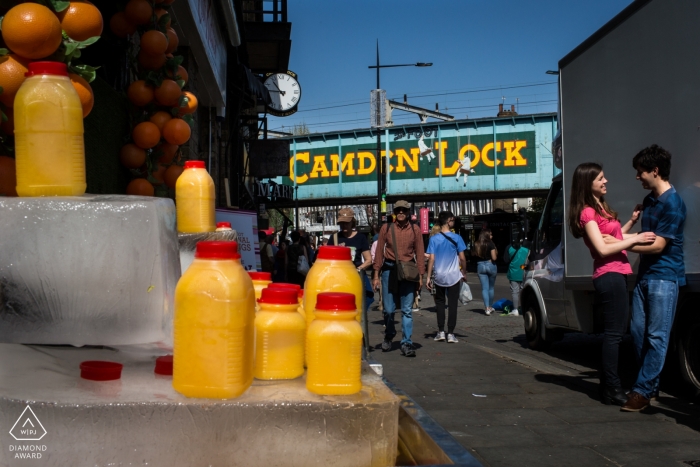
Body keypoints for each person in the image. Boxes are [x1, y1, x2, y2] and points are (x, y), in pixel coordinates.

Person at [568, 162, 656, 406]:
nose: (606, 181)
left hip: (616, 274)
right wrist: (635, 238)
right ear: (589, 184)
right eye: (601, 179)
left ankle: (608, 387)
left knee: (615, 334)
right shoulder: (587, 212)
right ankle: (612, 390)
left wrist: (631, 224)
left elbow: (614, 238)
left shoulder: (599, 208)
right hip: (608, 275)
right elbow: (604, 249)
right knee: (614, 335)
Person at [621, 145, 686, 412]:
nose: (638, 177)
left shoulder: (673, 203)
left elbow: (658, 246)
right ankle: (650, 384)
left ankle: (643, 390)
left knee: (657, 336)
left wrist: (622, 245)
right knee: (638, 332)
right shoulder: (649, 202)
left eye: (640, 172)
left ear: (655, 171)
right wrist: (631, 230)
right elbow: (644, 240)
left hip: (664, 277)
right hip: (645, 276)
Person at [373, 200, 425, 357]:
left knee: (407, 310)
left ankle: (407, 343)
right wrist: (376, 274)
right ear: (394, 212)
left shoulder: (415, 230)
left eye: (404, 210)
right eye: (398, 210)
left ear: (408, 212)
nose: (401, 212)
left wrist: (421, 276)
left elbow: (420, 253)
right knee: (388, 310)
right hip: (389, 271)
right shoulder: (386, 228)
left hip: (408, 272)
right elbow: (379, 254)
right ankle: (389, 334)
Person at [426, 211, 467, 344]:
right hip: (454, 276)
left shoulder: (433, 239)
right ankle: (451, 333)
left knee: (440, 303)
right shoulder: (457, 238)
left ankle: (440, 331)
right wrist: (464, 272)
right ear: (449, 220)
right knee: (453, 304)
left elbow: (431, 259)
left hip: (439, 276)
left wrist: (428, 277)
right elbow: (462, 258)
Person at [328, 207, 374, 315]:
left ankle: (359, 319)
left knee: (365, 298)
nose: (344, 225)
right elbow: (328, 259)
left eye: (346, 223)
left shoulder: (361, 238)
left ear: (352, 222)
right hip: (339, 277)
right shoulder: (334, 238)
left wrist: (359, 269)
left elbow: (369, 260)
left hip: (356, 275)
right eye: (342, 223)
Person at [503, 239, 531, 317]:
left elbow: (506, 260)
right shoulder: (526, 249)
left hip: (513, 272)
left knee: (515, 291)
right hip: (523, 272)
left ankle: (515, 309)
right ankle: (523, 308)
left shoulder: (509, 248)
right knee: (523, 291)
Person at [474, 229, 498, 315]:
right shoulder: (491, 244)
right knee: (491, 288)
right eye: (491, 235)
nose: (492, 236)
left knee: (484, 288)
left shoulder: (477, 244)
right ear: (487, 235)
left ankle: (487, 308)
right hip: (490, 264)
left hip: (480, 265)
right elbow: (494, 258)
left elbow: (474, 255)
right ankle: (490, 307)